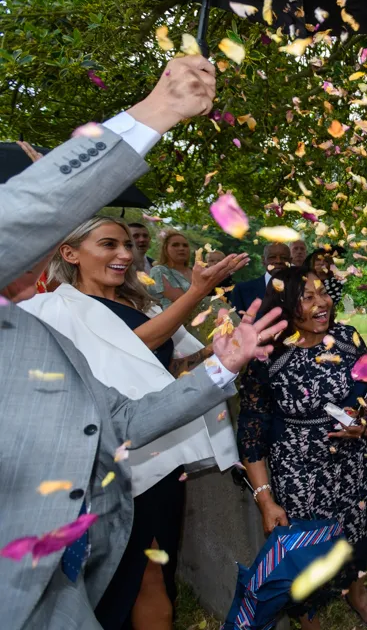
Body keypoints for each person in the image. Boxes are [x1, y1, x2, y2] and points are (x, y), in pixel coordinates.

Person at [0, 55, 286, 630]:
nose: (123, 254)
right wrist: (157, 112)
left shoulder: (30, 332)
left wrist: (221, 365)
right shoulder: (55, 309)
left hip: (72, 571)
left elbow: (122, 417)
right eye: (100, 241)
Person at [20, 216, 247, 630]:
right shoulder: (53, 310)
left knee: (159, 563)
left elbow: (178, 359)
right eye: (108, 245)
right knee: (124, 572)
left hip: (162, 452)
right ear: (70, 254)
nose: (124, 254)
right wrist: (196, 291)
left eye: (127, 244)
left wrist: (227, 355)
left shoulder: (143, 304)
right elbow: (136, 344)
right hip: (107, 462)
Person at [238, 266, 367, 629]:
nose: (322, 303)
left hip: (349, 464)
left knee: (354, 533)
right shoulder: (267, 356)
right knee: (305, 549)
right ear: (285, 305)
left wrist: (366, 420)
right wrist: (265, 498)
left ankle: (356, 593)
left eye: (323, 293)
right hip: (298, 470)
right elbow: (252, 431)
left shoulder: (348, 337)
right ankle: (307, 615)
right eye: (307, 297)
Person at [229, 242, 291, 316]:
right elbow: (236, 322)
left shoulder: (301, 287)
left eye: (284, 258)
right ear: (263, 260)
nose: (278, 261)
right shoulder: (242, 290)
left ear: (290, 261)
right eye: (272, 257)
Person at [148, 230, 193, 309]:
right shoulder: (158, 271)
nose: (181, 248)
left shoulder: (195, 271)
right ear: (165, 249)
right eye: (175, 245)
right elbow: (181, 300)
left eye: (185, 245)